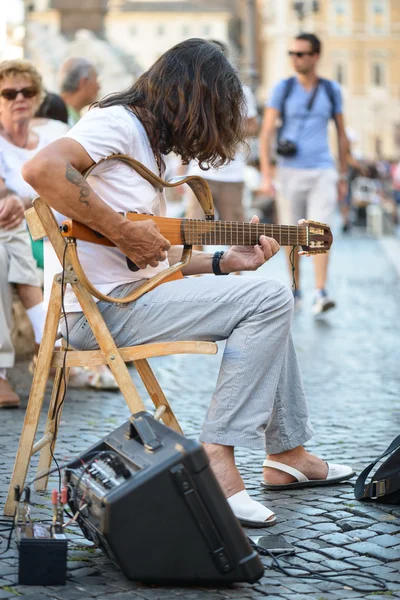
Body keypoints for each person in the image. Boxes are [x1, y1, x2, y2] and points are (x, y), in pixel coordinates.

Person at [23, 39, 354, 527]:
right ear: (192, 98)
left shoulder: (148, 147)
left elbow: (152, 259)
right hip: (97, 310)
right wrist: (121, 231)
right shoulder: (117, 123)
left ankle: (288, 453)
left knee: (265, 299)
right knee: (269, 299)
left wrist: (225, 262)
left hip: (130, 295)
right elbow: (41, 169)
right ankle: (218, 458)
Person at [259, 33, 349, 314]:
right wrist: (266, 174)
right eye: (292, 54)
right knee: (290, 233)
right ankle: (295, 288)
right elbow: (266, 133)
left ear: (315, 56)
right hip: (289, 171)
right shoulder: (283, 89)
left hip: (322, 169)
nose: (295, 59)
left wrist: (343, 175)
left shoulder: (331, 90)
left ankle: (321, 291)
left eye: (301, 54)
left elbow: (342, 134)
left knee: (320, 231)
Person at [0, 59, 51, 408]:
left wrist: (26, 200)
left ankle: (51, 344)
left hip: (57, 228)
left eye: (27, 91)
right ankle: (54, 342)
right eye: (9, 92)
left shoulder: (54, 136)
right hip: (23, 233)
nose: (20, 98)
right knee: (9, 238)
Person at [185, 40, 258, 225]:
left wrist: (228, 129)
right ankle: (195, 257)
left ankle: (235, 256)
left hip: (232, 173)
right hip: (199, 174)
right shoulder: (195, 92)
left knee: (235, 230)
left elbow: (253, 126)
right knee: (194, 230)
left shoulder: (243, 92)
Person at [58, 57, 100, 127]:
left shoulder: (70, 116)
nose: (98, 87)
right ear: (83, 82)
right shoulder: (59, 117)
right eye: (96, 81)